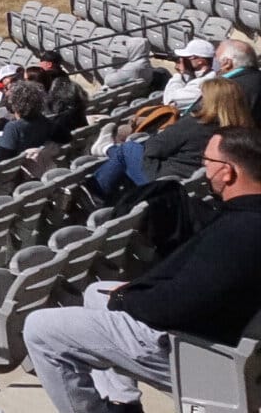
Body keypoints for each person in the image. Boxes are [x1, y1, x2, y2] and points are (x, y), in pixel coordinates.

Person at [23, 127, 261, 413]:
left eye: (207, 162)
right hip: (219, 329)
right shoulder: (246, 217)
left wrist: (128, 298)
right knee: (96, 292)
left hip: (195, 350)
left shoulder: (241, 231)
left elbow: (178, 305)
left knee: (40, 328)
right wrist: (133, 292)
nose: (204, 169)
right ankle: (124, 402)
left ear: (228, 172)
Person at [90, 77, 255, 201]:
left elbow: (153, 148)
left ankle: (95, 191)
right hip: (191, 181)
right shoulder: (242, 130)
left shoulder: (195, 124)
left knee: (128, 149)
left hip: (165, 180)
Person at [162, 38, 215, 110]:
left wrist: (179, 75)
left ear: (201, 61)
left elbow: (168, 101)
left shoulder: (203, 84)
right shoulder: (208, 75)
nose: (184, 60)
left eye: (188, 57)